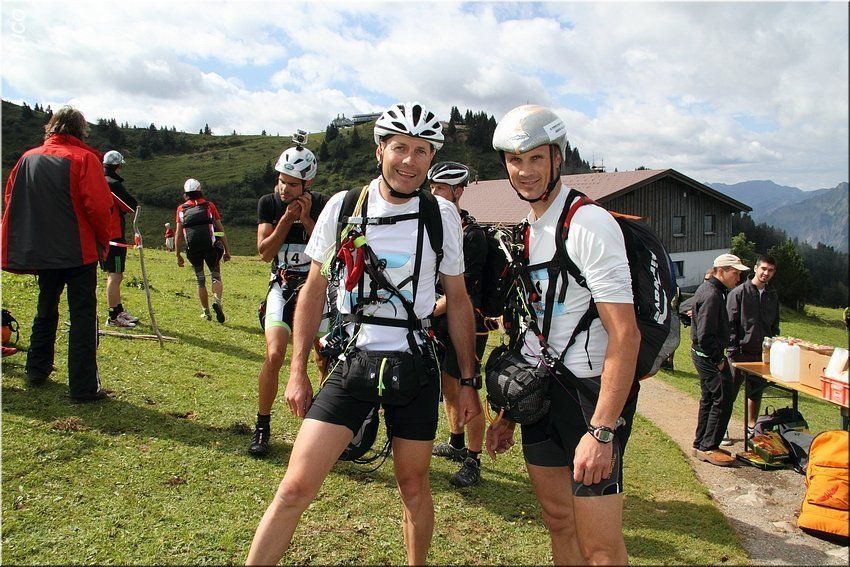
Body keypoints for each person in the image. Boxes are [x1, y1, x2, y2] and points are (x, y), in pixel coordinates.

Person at [246, 102, 482, 565]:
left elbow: (457, 300)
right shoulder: (343, 206)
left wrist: (469, 380)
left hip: (415, 365)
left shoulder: (441, 215)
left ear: (432, 158)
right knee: (294, 487)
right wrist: (297, 369)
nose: (409, 160)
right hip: (352, 360)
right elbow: (314, 290)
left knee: (413, 487)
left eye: (421, 150)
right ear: (380, 151)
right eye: (400, 148)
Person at [485, 104, 641, 565]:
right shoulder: (532, 226)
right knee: (558, 521)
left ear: (558, 157)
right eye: (515, 160)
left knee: (600, 546)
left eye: (536, 157)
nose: (525, 171)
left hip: (587, 398)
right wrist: (510, 414)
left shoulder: (588, 223)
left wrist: (602, 431)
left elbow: (626, 335)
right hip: (542, 396)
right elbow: (537, 326)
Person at [1, 106, 113, 402]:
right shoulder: (84, 159)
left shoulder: (28, 158)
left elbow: (12, 198)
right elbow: (98, 207)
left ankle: (36, 369)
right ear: (80, 130)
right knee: (83, 317)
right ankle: (83, 386)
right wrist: (103, 241)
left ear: (50, 127)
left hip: (43, 249)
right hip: (78, 251)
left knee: (45, 309)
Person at [249, 143, 329, 456]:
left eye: (293, 184)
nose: (284, 188)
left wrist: (307, 219)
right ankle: (262, 425)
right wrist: (286, 219)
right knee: (274, 353)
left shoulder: (322, 204)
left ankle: (320, 427)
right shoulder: (269, 203)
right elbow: (264, 251)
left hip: (314, 289)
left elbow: (330, 253)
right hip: (281, 286)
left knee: (325, 357)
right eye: (282, 181)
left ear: (308, 184)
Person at [428, 161, 488, 487]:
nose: (434, 194)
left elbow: (461, 292)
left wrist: (425, 310)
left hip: (469, 323)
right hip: (439, 318)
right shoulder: (432, 226)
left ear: (458, 191)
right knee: (448, 384)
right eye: (432, 188)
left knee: (469, 388)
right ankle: (455, 442)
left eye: (441, 189)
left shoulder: (473, 236)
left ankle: (474, 459)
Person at [690, 253, 749, 466]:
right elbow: (705, 334)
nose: (738, 278)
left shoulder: (712, 290)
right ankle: (709, 446)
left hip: (703, 354)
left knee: (709, 399)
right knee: (722, 399)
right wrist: (718, 360)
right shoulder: (713, 295)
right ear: (721, 271)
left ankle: (702, 444)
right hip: (709, 356)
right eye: (735, 273)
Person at [727, 255, 779, 435]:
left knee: (756, 392)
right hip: (739, 353)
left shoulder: (772, 295)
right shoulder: (739, 292)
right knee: (729, 392)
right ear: (756, 268)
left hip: (761, 354)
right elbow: (730, 323)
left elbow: (775, 324)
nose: (766, 273)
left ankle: (751, 428)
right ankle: (722, 428)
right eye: (763, 268)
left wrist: (772, 347)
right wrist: (732, 350)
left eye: (770, 270)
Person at [174, 179, 231, 322]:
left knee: (200, 281)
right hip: (211, 248)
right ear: (200, 191)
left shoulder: (181, 209)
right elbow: (219, 229)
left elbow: (179, 234)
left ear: (186, 193)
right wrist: (226, 250)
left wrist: (178, 254)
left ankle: (206, 313)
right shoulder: (209, 205)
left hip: (193, 250)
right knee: (216, 276)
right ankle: (217, 301)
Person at [100, 150, 139, 328]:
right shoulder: (112, 183)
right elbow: (131, 206)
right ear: (118, 166)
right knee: (115, 275)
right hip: (114, 235)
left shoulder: (98, 180)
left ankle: (118, 309)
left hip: (103, 234)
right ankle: (113, 316)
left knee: (116, 275)